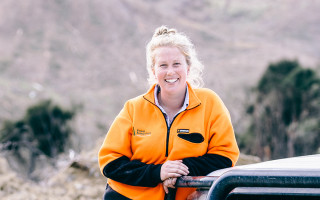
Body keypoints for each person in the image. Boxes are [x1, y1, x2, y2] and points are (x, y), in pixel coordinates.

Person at [98, 25, 239, 200]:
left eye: (176, 64)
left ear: (188, 67)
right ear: (153, 71)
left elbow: (225, 156)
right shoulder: (133, 108)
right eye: (163, 65)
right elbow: (110, 163)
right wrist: (158, 172)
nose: (170, 72)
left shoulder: (210, 103)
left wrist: (181, 169)